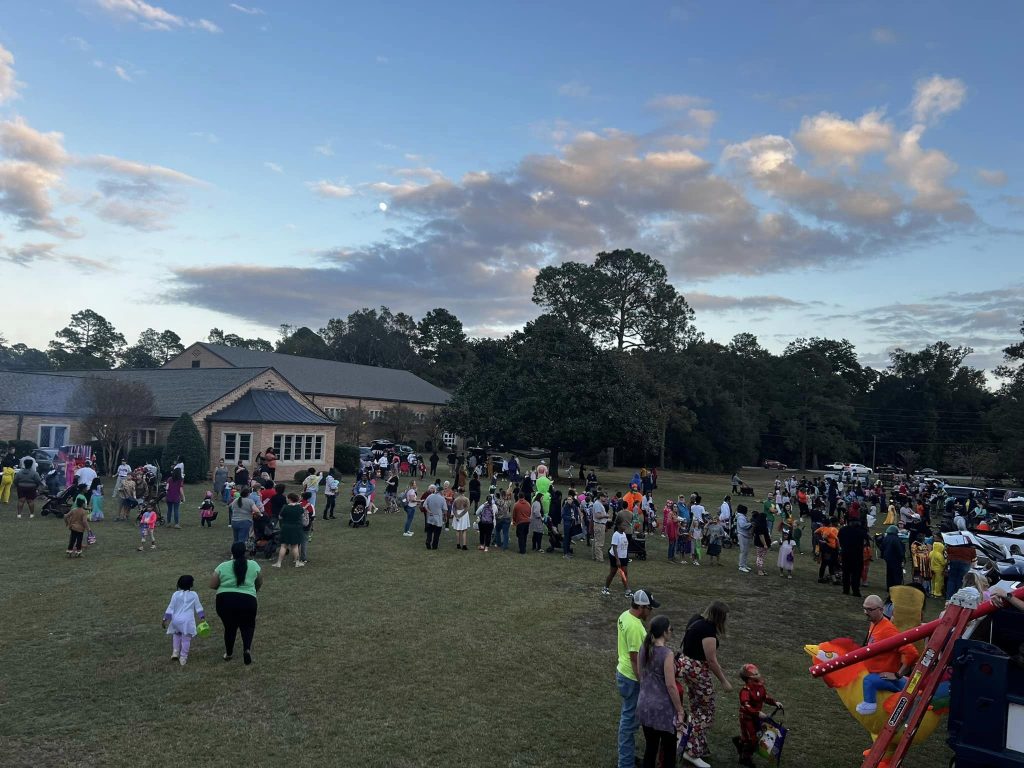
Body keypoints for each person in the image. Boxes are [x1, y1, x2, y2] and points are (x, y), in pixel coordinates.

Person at [677, 602, 732, 768]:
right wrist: (724, 680)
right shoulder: (708, 631)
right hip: (697, 670)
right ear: (719, 617)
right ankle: (692, 751)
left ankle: (696, 742)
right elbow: (711, 660)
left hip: (686, 666)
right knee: (707, 711)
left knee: (696, 707)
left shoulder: (697, 619)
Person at [854, 595, 920, 715]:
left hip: (884, 677)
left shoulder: (888, 630)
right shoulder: (874, 623)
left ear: (881, 610)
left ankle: (869, 705)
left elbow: (912, 652)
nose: (865, 612)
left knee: (869, 681)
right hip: (875, 672)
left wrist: (898, 674)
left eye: (870, 610)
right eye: (864, 608)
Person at [615, 590, 659, 768]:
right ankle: (625, 763)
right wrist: (643, 682)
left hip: (624, 674)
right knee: (629, 723)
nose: (651, 612)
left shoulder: (625, 615)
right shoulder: (634, 626)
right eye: (649, 608)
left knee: (629, 719)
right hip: (632, 678)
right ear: (641, 607)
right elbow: (635, 658)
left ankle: (627, 757)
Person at [637, 614, 684, 768]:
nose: (671, 631)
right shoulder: (667, 654)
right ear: (664, 632)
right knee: (669, 750)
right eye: (670, 629)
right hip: (662, 709)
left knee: (650, 748)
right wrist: (680, 710)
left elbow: (640, 674)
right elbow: (671, 685)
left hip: (644, 705)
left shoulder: (643, 648)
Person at [211, 542, 262, 664]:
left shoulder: (222, 566)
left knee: (229, 627)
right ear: (245, 552)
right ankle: (247, 649)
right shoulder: (254, 565)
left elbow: (212, 584)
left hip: (225, 600)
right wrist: (253, 590)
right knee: (248, 626)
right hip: (248, 600)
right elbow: (259, 582)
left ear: (232, 552)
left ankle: (228, 653)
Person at [735, 664, 782, 768]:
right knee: (752, 739)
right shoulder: (745, 691)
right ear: (748, 678)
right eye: (755, 674)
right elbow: (745, 705)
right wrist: (757, 712)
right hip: (747, 718)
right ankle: (745, 758)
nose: (758, 675)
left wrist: (775, 702)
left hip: (756, 717)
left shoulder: (760, 687)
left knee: (755, 736)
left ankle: (740, 742)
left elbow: (765, 697)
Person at [162, 575, 206, 666]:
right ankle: (183, 657)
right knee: (186, 640)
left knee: (176, 635)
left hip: (176, 620)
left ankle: (175, 652)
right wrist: (202, 618)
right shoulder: (194, 594)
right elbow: (198, 607)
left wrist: (165, 619)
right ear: (191, 584)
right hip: (187, 621)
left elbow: (170, 608)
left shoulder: (175, 594)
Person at [274, 492, 306, 568]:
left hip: (286, 527)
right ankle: (297, 562)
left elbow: (280, 517)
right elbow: (302, 514)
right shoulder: (299, 507)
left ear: (290, 499)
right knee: (295, 546)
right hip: (296, 528)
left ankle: (279, 563)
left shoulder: (285, 507)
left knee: (283, 546)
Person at [838, 516, 866, 596]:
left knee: (846, 573)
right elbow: (865, 540)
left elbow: (840, 539)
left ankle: (846, 589)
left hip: (846, 553)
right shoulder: (861, 531)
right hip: (857, 555)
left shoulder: (843, 530)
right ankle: (855, 591)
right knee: (856, 574)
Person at [603, 520, 632, 597]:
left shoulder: (624, 534)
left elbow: (624, 546)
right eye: (623, 525)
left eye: (625, 525)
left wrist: (626, 557)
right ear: (618, 526)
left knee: (624, 573)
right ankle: (605, 588)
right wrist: (617, 560)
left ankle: (627, 591)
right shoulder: (616, 535)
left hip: (623, 557)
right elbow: (614, 548)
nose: (625, 527)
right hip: (615, 557)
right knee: (613, 573)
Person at [817, 518, 840, 584]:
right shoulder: (834, 529)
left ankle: (821, 578)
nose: (838, 524)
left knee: (825, 563)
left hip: (825, 548)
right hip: (831, 549)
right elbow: (836, 539)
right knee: (830, 564)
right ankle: (833, 580)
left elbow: (818, 534)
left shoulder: (824, 528)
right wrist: (838, 548)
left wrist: (821, 540)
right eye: (837, 522)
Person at [881, 525, 905, 590]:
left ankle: (889, 587)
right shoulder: (896, 539)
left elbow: (882, 547)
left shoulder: (886, 538)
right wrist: (902, 558)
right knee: (896, 573)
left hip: (888, 558)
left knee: (889, 573)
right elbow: (899, 550)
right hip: (895, 559)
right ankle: (896, 587)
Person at [423, 485, 446, 550]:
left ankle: (428, 541)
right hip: (438, 518)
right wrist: (445, 516)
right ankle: (434, 545)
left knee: (429, 531)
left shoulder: (430, 496)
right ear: (441, 491)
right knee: (437, 533)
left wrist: (428, 511)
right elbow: (445, 509)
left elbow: (425, 504)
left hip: (430, 517)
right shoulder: (442, 498)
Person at [752, 509, 771, 576]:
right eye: (766, 517)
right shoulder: (761, 526)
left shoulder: (759, 525)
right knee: (760, 557)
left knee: (761, 557)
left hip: (760, 543)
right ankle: (759, 570)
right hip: (761, 544)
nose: (767, 519)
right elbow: (761, 536)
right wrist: (765, 544)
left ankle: (761, 569)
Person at [736, 504, 753, 573]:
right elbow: (742, 525)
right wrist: (751, 524)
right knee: (743, 551)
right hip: (742, 535)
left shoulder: (742, 516)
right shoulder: (740, 517)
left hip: (745, 535)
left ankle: (744, 564)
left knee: (746, 551)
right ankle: (741, 566)